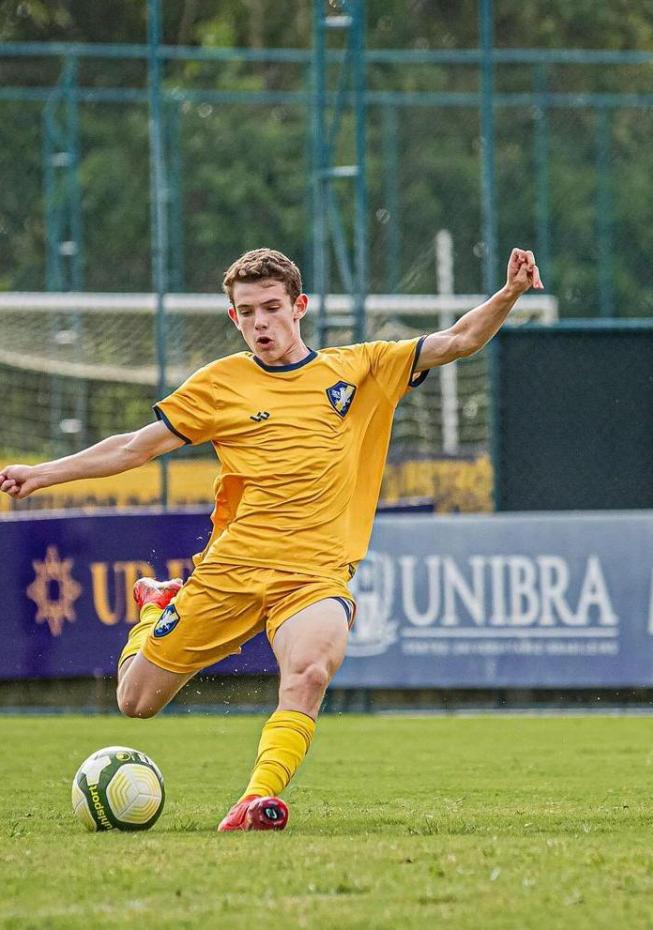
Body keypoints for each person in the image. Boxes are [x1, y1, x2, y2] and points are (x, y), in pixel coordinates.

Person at [0, 246, 543, 831]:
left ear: (299, 306)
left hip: (313, 577)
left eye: (271, 308)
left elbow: (457, 340)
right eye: (247, 312)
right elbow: (134, 447)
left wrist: (509, 293)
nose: (261, 323)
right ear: (233, 317)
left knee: (309, 672)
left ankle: (256, 801)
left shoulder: (359, 368)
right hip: (230, 571)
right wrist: (44, 472)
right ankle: (156, 605)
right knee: (136, 702)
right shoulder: (220, 384)